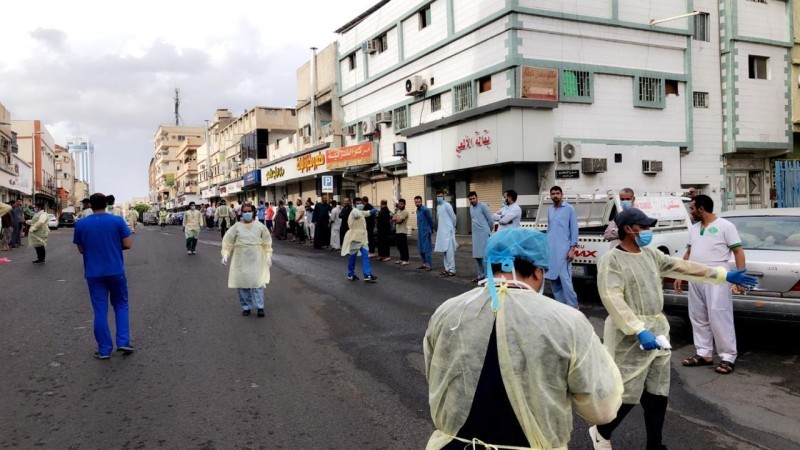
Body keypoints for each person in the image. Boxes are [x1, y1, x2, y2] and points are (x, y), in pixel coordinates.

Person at [424, 228, 624, 449]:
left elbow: (436, 376)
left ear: (490, 266)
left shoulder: (448, 312)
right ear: (538, 273)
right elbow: (601, 409)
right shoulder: (568, 321)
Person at [593, 208, 757, 449]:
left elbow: (683, 267)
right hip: (629, 335)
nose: (648, 231)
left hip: (657, 330)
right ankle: (601, 431)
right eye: (644, 226)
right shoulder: (611, 260)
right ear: (629, 229)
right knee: (627, 393)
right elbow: (612, 297)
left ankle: (655, 445)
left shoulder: (650, 255)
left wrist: (723, 275)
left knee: (658, 393)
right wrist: (637, 329)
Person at [675, 195, 745, 375]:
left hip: (718, 277)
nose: (690, 212)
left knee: (719, 316)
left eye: (692, 208)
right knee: (698, 316)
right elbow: (689, 252)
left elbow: (738, 251)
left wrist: (740, 277)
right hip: (695, 276)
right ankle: (703, 354)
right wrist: (680, 274)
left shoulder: (725, 226)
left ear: (701, 208)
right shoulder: (694, 228)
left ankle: (728, 357)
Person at [73, 193, 134, 360]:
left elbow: (81, 249)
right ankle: (123, 341)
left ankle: (104, 349)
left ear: (90, 206)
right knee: (121, 305)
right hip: (116, 271)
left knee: (100, 310)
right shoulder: (117, 221)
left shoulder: (81, 224)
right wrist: (113, 246)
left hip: (94, 273)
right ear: (106, 204)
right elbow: (128, 244)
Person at [221, 203, 273, 318]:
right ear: (241, 213)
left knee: (257, 283)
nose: (247, 213)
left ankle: (260, 307)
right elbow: (228, 241)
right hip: (241, 259)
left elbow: (266, 242)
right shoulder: (236, 227)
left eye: (249, 211)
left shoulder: (260, 226)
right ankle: (246, 307)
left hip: (257, 258)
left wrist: (268, 255)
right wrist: (225, 254)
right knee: (242, 284)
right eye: (244, 211)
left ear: (253, 212)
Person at [546, 186, 579, 308]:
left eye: (557, 193)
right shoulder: (550, 209)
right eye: (553, 193)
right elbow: (549, 229)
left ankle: (573, 305)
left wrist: (572, 248)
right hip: (551, 249)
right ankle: (561, 306)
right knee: (553, 278)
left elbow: (574, 229)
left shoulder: (569, 209)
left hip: (564, 249)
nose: (555, 195)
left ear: (562, 194)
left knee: (565, 280)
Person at [341, 198, 378, 282]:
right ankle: (350, 274)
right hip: (355, 238)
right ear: (354, 204)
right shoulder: (354, 212)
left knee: (365, 256)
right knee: (352, 257)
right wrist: (369, 212)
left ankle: (367, 274)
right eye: (358, 203)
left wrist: (372, 211)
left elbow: (366, 213)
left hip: (363, 239)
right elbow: (358, 213)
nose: (360, 204)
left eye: (361, 203)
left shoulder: (360, 212)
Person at [468, 191, 493, 283]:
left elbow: (490, 220)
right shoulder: (470, 208)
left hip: (483, 234)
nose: (472, 200)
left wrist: (488, 231)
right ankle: (480, 275)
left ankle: (487, 277)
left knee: (484, 256)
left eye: (473, 198)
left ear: (477, 198)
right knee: (477, 256)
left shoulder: (483, 206)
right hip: (475, 235)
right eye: (470, 199)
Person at [434, 191, 457, 276]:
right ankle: (446, 269)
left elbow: (453, 217)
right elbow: (438, 219)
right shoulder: (438, 207)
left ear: (443, 197)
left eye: (440, 196)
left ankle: (452, 269)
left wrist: (452, 227)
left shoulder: (447, 205)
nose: (439, 197)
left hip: (448, 231)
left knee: (450, 251)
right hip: (441, 232)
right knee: (444, 251)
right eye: (438, 196)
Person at [415, 196, 434, 271]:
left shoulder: (425, 209)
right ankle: (424, 263)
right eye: (416, 202)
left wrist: (432, 229)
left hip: (426, 231)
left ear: (421, 201)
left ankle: (429, 264)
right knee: (421, 248)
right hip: (420, 231)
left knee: (426, 248)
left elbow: (430, 220)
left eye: (419, 202)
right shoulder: (417, 210)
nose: (417, 203)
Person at [392, 199, 410, 265]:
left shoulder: (405, 212)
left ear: (404, 204)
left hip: (403, 231)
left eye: (401, 204)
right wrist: (397, 219)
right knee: (399, 247)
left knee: (404, 246)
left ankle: (406, 260)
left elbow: (399, 221)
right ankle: (402, 259)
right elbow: (393, 218)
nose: (400, 205)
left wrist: (396, 219)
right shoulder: (398, 211)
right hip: (398, 231)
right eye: (399, 204)